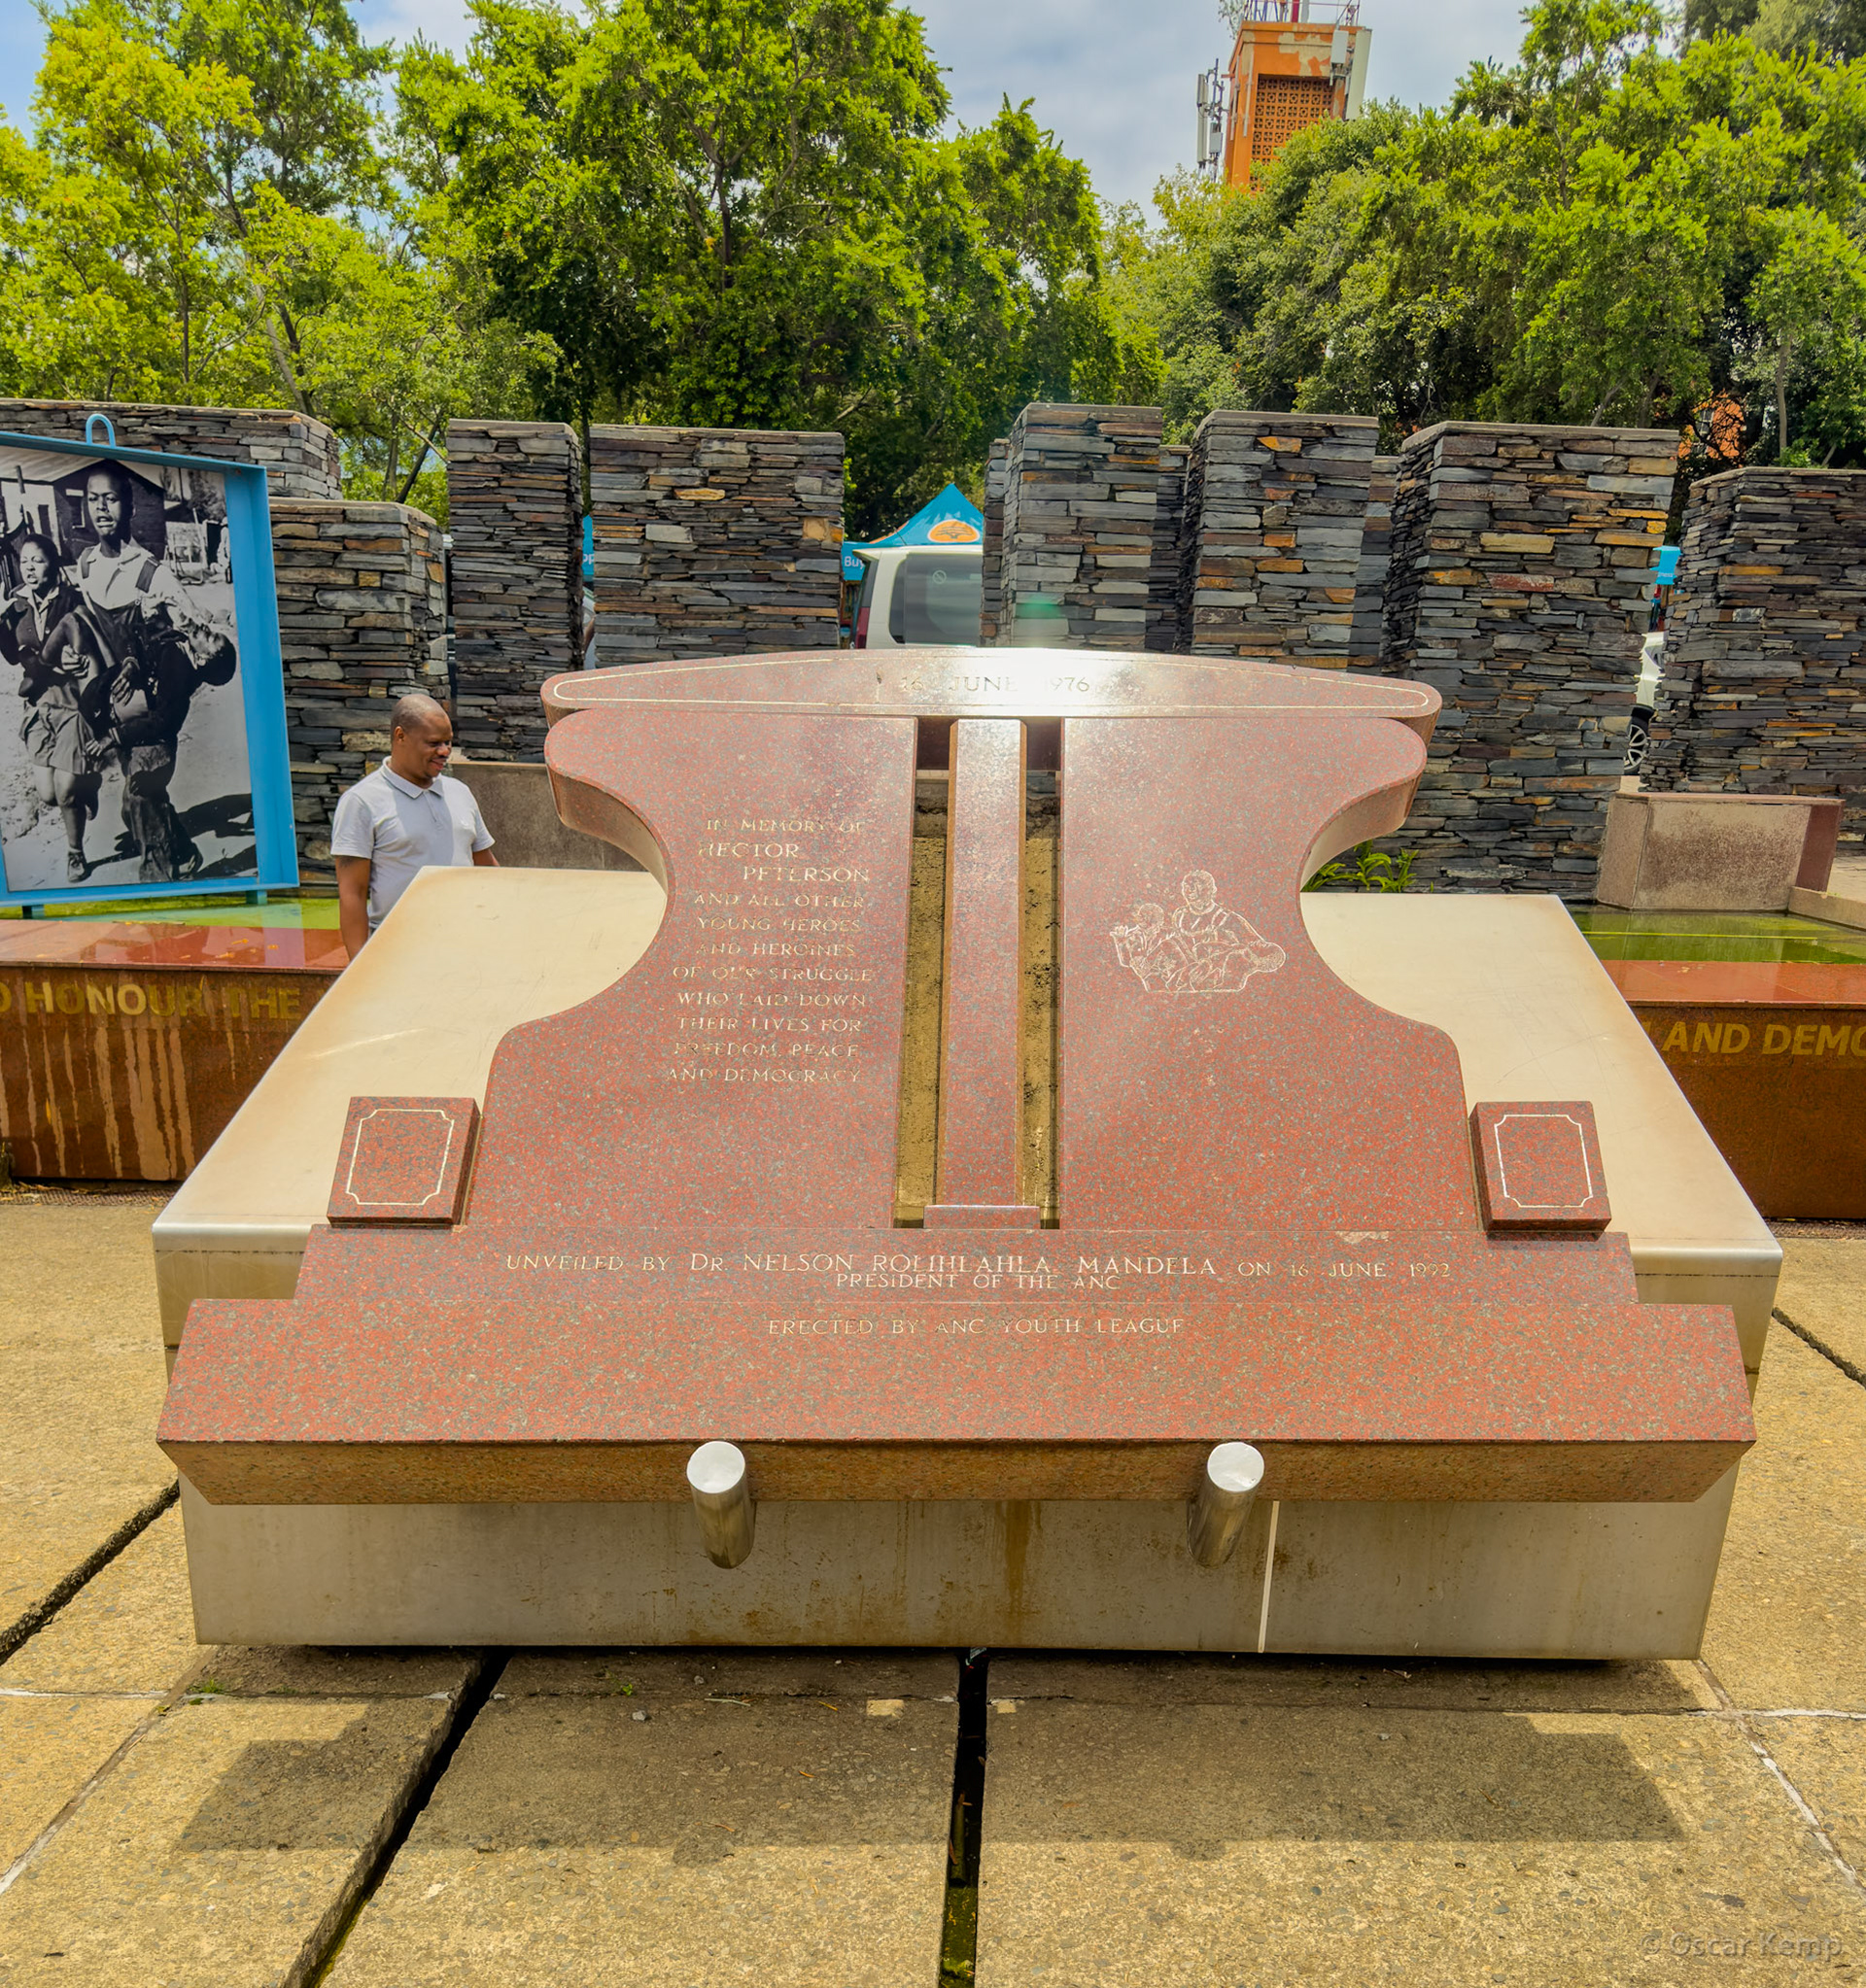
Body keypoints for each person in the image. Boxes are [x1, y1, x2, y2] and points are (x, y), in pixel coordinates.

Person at [73, 460, 233, 882]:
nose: (101, 508)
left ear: (127, 506)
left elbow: (194, 636)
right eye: (93, 500)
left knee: (142, 794)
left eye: (111, 499)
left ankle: (160, 885)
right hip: (110, 701)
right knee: (133, 804)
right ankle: (182, 850)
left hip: (151, 710)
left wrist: (158, 673)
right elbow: (90, 632)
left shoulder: (154, 574)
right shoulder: (85, 566)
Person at [330, 693, 496, 958]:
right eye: (433, 743)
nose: (444, 751)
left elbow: (489, 871)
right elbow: (352, 892)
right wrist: (357, 970)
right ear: (400, 736)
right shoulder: (362, 802)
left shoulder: (460, 793)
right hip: (397, 952)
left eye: (447, 742)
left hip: (466, 946)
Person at [0, 532, 107, 880]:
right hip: (38, 705)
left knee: (64, 792)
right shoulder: (15, 606)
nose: (29, 568)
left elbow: (91, 648)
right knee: (47, 795)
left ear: (54, 563)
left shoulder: (73, 600)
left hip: (73, 703)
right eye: (24, 562)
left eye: (38, 560)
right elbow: (11, 654)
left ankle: (75, 853)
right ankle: (87, 786)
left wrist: (75, 661)